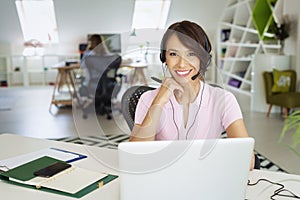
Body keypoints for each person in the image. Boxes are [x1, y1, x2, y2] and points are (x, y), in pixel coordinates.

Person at [129, 20, 255, 170]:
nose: (182, 64)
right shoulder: (148, 99)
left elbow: (248, 162)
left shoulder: (223, 100)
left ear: (203, 59)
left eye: (191, 54)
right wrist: (160, 100)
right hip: (164, 177)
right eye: (174, 54)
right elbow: (134, 157)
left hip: (205, 176)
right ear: (165, 58)